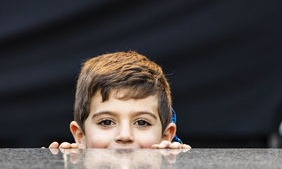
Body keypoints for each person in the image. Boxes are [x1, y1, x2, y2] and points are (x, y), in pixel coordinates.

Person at [49, 51, 190, 150]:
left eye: (142, 122)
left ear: (165, 136)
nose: (124, 136)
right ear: (80, 136)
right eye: (106, 122)